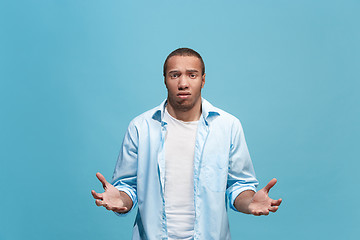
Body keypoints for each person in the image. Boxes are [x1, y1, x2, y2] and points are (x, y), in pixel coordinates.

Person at [91, 48, 282, 240]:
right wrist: (120, 199)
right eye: (175, 75)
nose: (183, 83)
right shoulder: (140, 127)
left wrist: (249, 203)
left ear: (203, 80)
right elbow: (127, 187)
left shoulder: (228, 126)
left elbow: (238, 185)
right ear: (165, 79)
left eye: (192, 75)